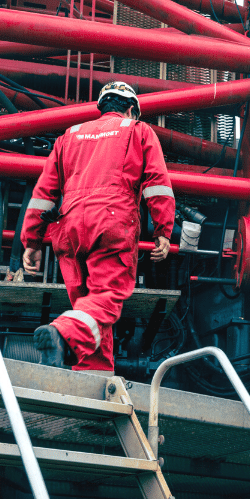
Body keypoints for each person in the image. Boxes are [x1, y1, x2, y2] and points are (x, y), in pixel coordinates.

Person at [21, 81, 174, 375]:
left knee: (89, 307)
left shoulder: (70, 136)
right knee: (107, 296)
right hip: (111, 221)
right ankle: (64, 334)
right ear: (131, 109)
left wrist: (33, 241)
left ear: (102, 107)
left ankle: (92, 377)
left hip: (68, 227)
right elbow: (157, 183)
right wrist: (163, 230)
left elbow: (43, 193)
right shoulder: (138, 130)